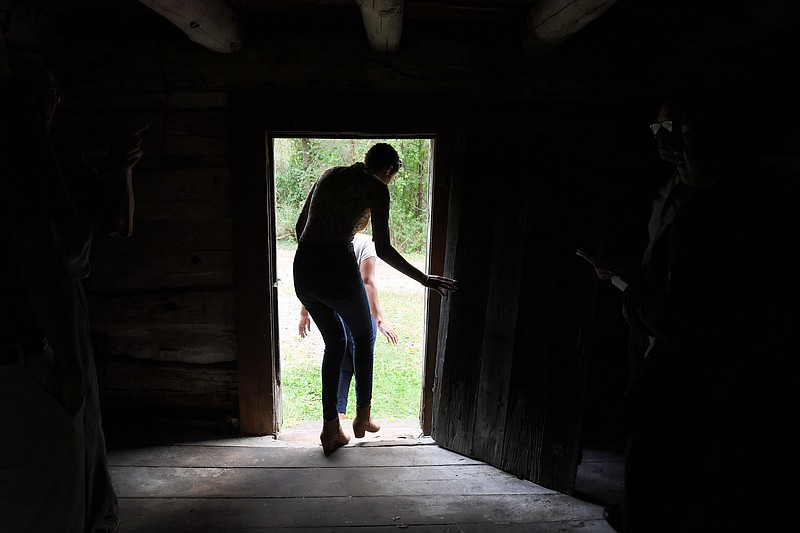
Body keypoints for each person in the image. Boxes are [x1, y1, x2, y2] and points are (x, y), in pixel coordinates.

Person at [9, 58, 147, 533]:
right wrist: (68, 363)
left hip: (65, 303)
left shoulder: (62, 158)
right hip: (37, 318)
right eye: (37, 92)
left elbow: (120, 223)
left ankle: (90, 513)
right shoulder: (25, 158)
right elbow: (39, 260)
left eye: (53, 92)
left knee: (80, 428)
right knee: (60, 428)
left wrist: (122, 169)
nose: (48, 101)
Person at [293, 142, 457, 455]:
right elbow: (382, 247)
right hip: (337, 266)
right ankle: (362, 417)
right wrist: (423, 278)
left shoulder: (328, 175)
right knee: (365, 334)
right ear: (388, 171)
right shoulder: (376, 187)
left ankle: (331, 429)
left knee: (335, 343)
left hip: (304, 267)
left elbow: (301, 226)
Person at [1, 54, 87, 532]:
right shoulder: (18, 140)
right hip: (16, 361)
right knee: (47, 501)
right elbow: (40, 258)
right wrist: (71, 367)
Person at [298, 231, 399, 420]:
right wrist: (379, 319)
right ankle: (363, 417)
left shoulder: (323, 238)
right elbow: (367, 281)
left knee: (342, 362)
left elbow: (311, 276)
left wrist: (304, 312)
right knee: (362, 353)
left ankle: (337, 417)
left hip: (333, 308)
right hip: (356, 307)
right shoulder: (365, 242)